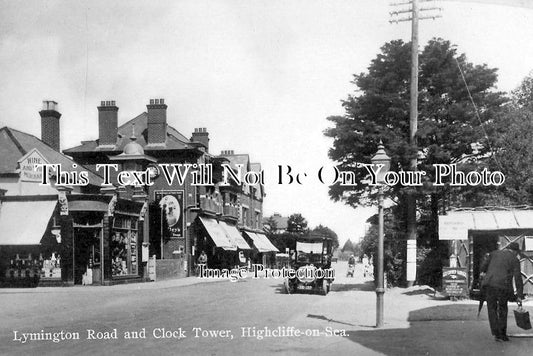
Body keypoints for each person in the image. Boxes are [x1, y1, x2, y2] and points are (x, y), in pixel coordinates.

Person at [480, 242, 524, 342]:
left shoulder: (494, 253)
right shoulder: (514, 259)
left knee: (492, 308)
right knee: (503, 308)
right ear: (515, 251)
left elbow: (483, 267)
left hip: (489, 284)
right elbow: (518, 278)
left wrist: (486, 273)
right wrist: (520, 295)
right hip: (502, 286)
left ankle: (496, 333)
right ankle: (502, 334)